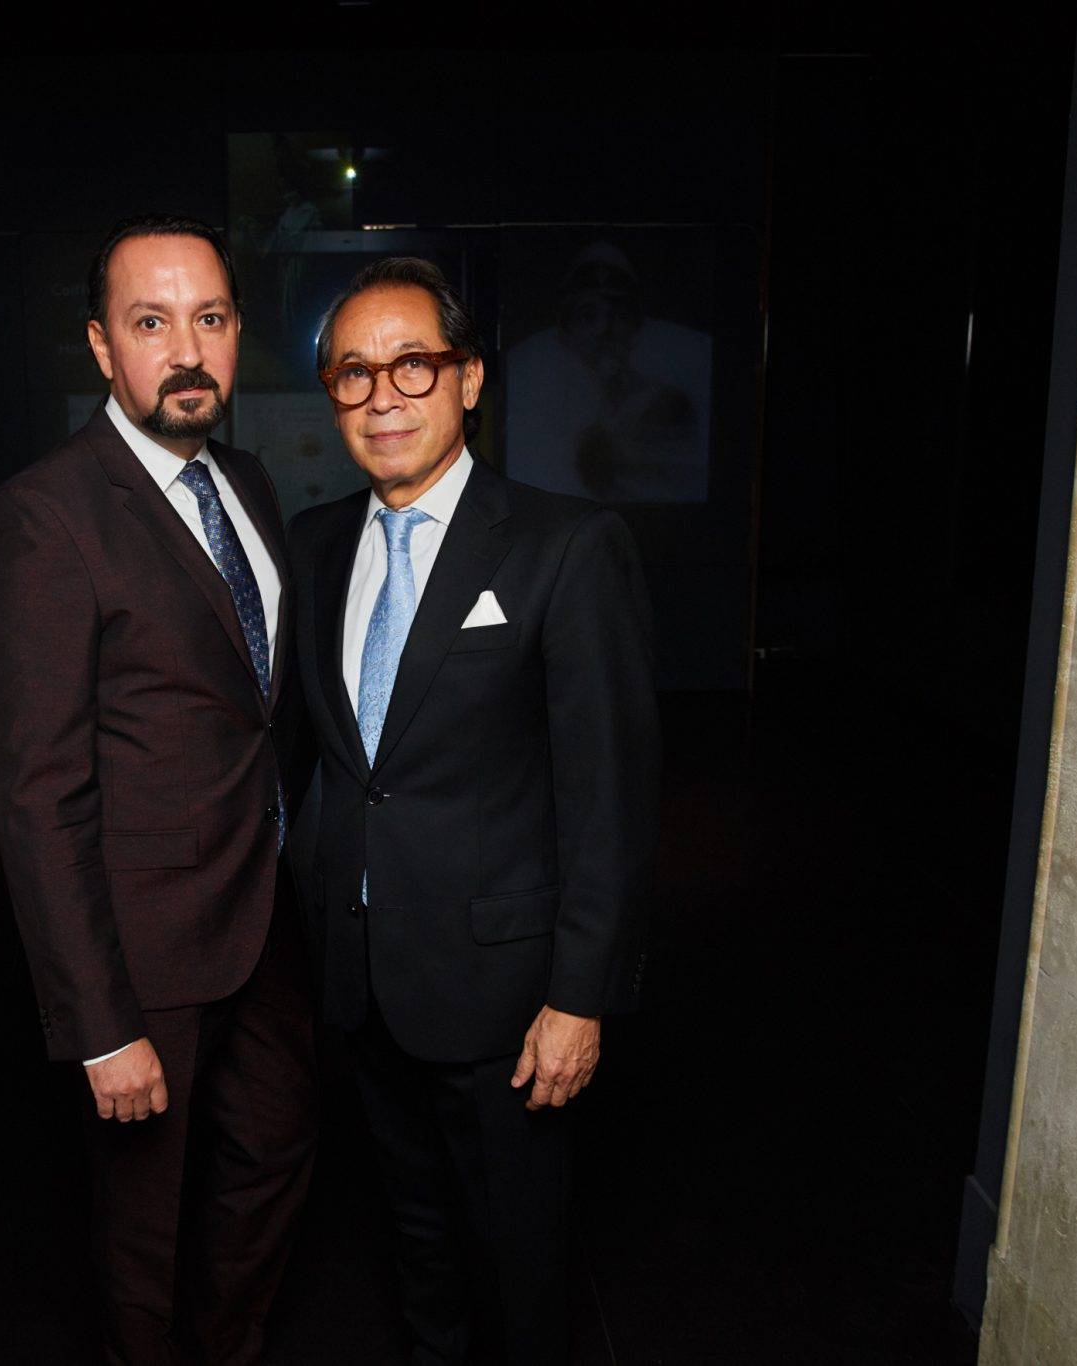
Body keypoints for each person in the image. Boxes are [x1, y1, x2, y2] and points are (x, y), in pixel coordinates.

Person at [286, 257, 660, 1365]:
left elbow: (611, 797)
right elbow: (330, 768)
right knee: (412, 1245)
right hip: (361, 986)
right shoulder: (313, 547)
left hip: (504, 1002)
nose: (382, 395)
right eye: (353, 373)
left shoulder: (563, 545)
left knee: (518, 1263)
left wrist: (578, 996)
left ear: (469, 380)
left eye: (412, 363)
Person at [0, 213, 316, 1366]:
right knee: (142, 1224)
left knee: (272, 1155)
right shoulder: (43, 518)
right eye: (150, 321)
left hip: (261, 917)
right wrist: (99, 1021)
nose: (186, 349)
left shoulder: (249, 481)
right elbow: (37, 792)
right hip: (141, 951)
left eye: (209, 319)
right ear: (99, 347)